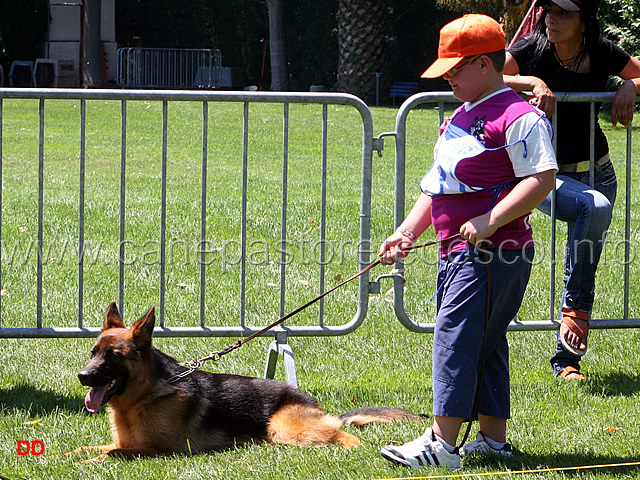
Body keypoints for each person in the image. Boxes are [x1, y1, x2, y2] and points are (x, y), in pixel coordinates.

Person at [377, 14, 557, 469]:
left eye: (455, 69)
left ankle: (442, 444)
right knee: (484, 341)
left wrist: (491, 220)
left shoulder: (519, 118)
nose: (449, 78)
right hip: (460, 252)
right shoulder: (459, 116)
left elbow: (542, 178)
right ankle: (493, 441)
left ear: (483, 64)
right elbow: (436, 186)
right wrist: (405, 233)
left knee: (455, 339)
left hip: (494, 253)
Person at [505, 0, 640, 380]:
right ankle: (571, 332)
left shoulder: (599, 49)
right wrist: (532, 81)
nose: (553, 19)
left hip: (600, 172)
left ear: (584, 21)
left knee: (584, 259)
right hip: (545, 175)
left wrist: (629, 84)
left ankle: (566, 360)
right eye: (550, 10)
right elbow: (490, 74)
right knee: (593, 209)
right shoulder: (533, 48)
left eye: (565, 13)